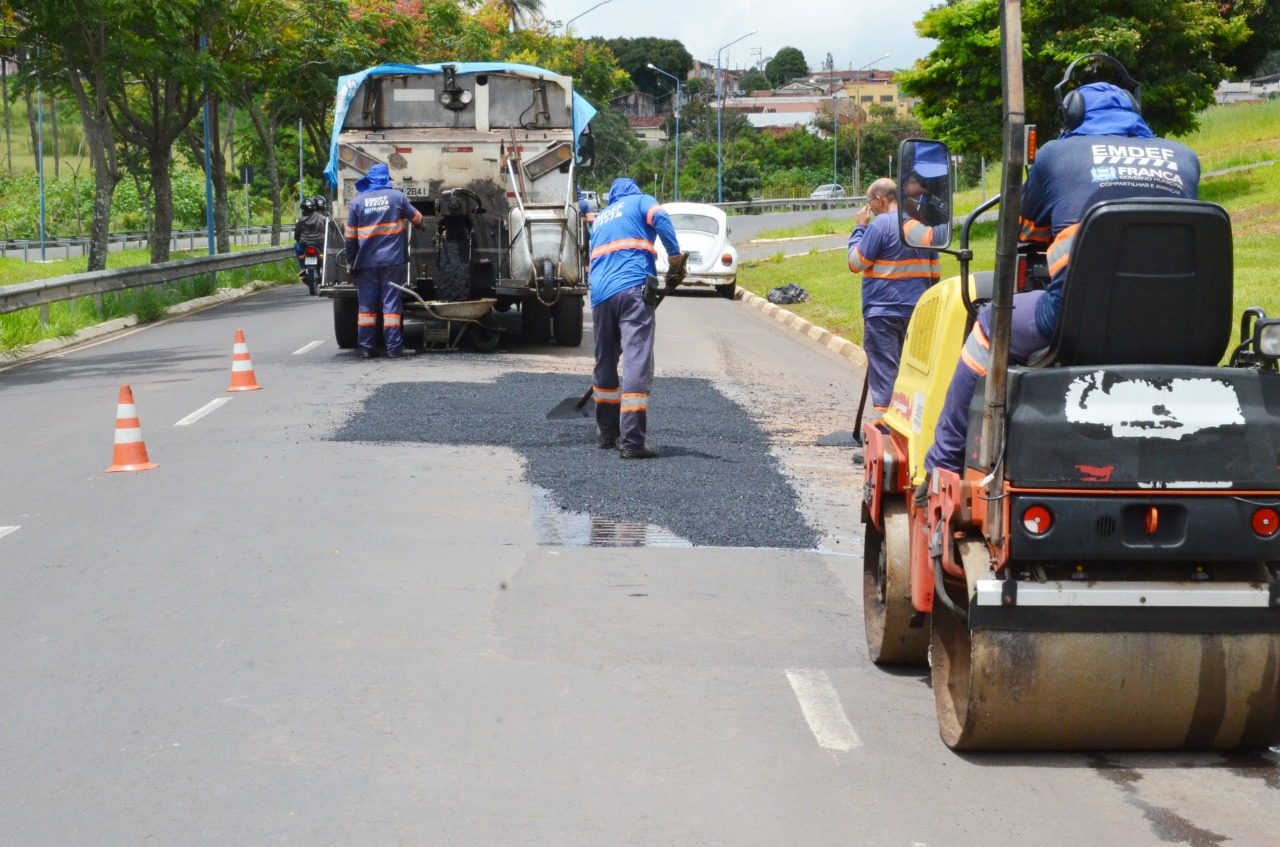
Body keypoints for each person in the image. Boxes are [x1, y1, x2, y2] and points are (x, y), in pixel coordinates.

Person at [923, 79, 1201, 480]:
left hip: (1074, 321)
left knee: (989, 325)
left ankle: (943, 465)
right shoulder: (1186, 158)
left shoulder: (1056, 155)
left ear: (1071, 113)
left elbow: (1023, 231)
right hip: (1177, 324)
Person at [587, 177, 686, 458]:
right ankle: (632, 441)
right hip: (632, 289)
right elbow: (661, 218)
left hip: (600, 295)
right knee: (636, 359)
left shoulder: (601, 219)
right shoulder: (642, 202)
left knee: (605, 360)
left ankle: (608, 432)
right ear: (634, 192)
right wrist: (675, 259)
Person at [847, 178, 940, 419]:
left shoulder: (880, 224)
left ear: (879, 200)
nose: (869, 207)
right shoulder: (920, 227)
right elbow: (935, 274)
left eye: (869, 202)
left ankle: (886, 429)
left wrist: (860, 228)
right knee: (912, 374)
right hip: (917, 313)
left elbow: (855, 263)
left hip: (883, 314)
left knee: (886, 374)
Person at [343, 163, 424, 359]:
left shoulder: (357, 203)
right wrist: (419, 223)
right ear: (387, 179)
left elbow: (350, 238)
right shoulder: (397, 197)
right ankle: (394, 348)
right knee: (391, 305)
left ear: (370, 180)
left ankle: (365, 348)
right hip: (391, 262)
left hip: (366, 262)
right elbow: (417, 219)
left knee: (366, 307)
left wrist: (350, 259)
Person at [293, 197, 329, 289]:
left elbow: (296, 235)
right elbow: (327, 231)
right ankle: (326, 268)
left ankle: (303, 267)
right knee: (327, 252)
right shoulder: (322, 218)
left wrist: (301, 241)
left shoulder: (301, 220)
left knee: (296, 246)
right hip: (319, 244)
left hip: (304, 245)